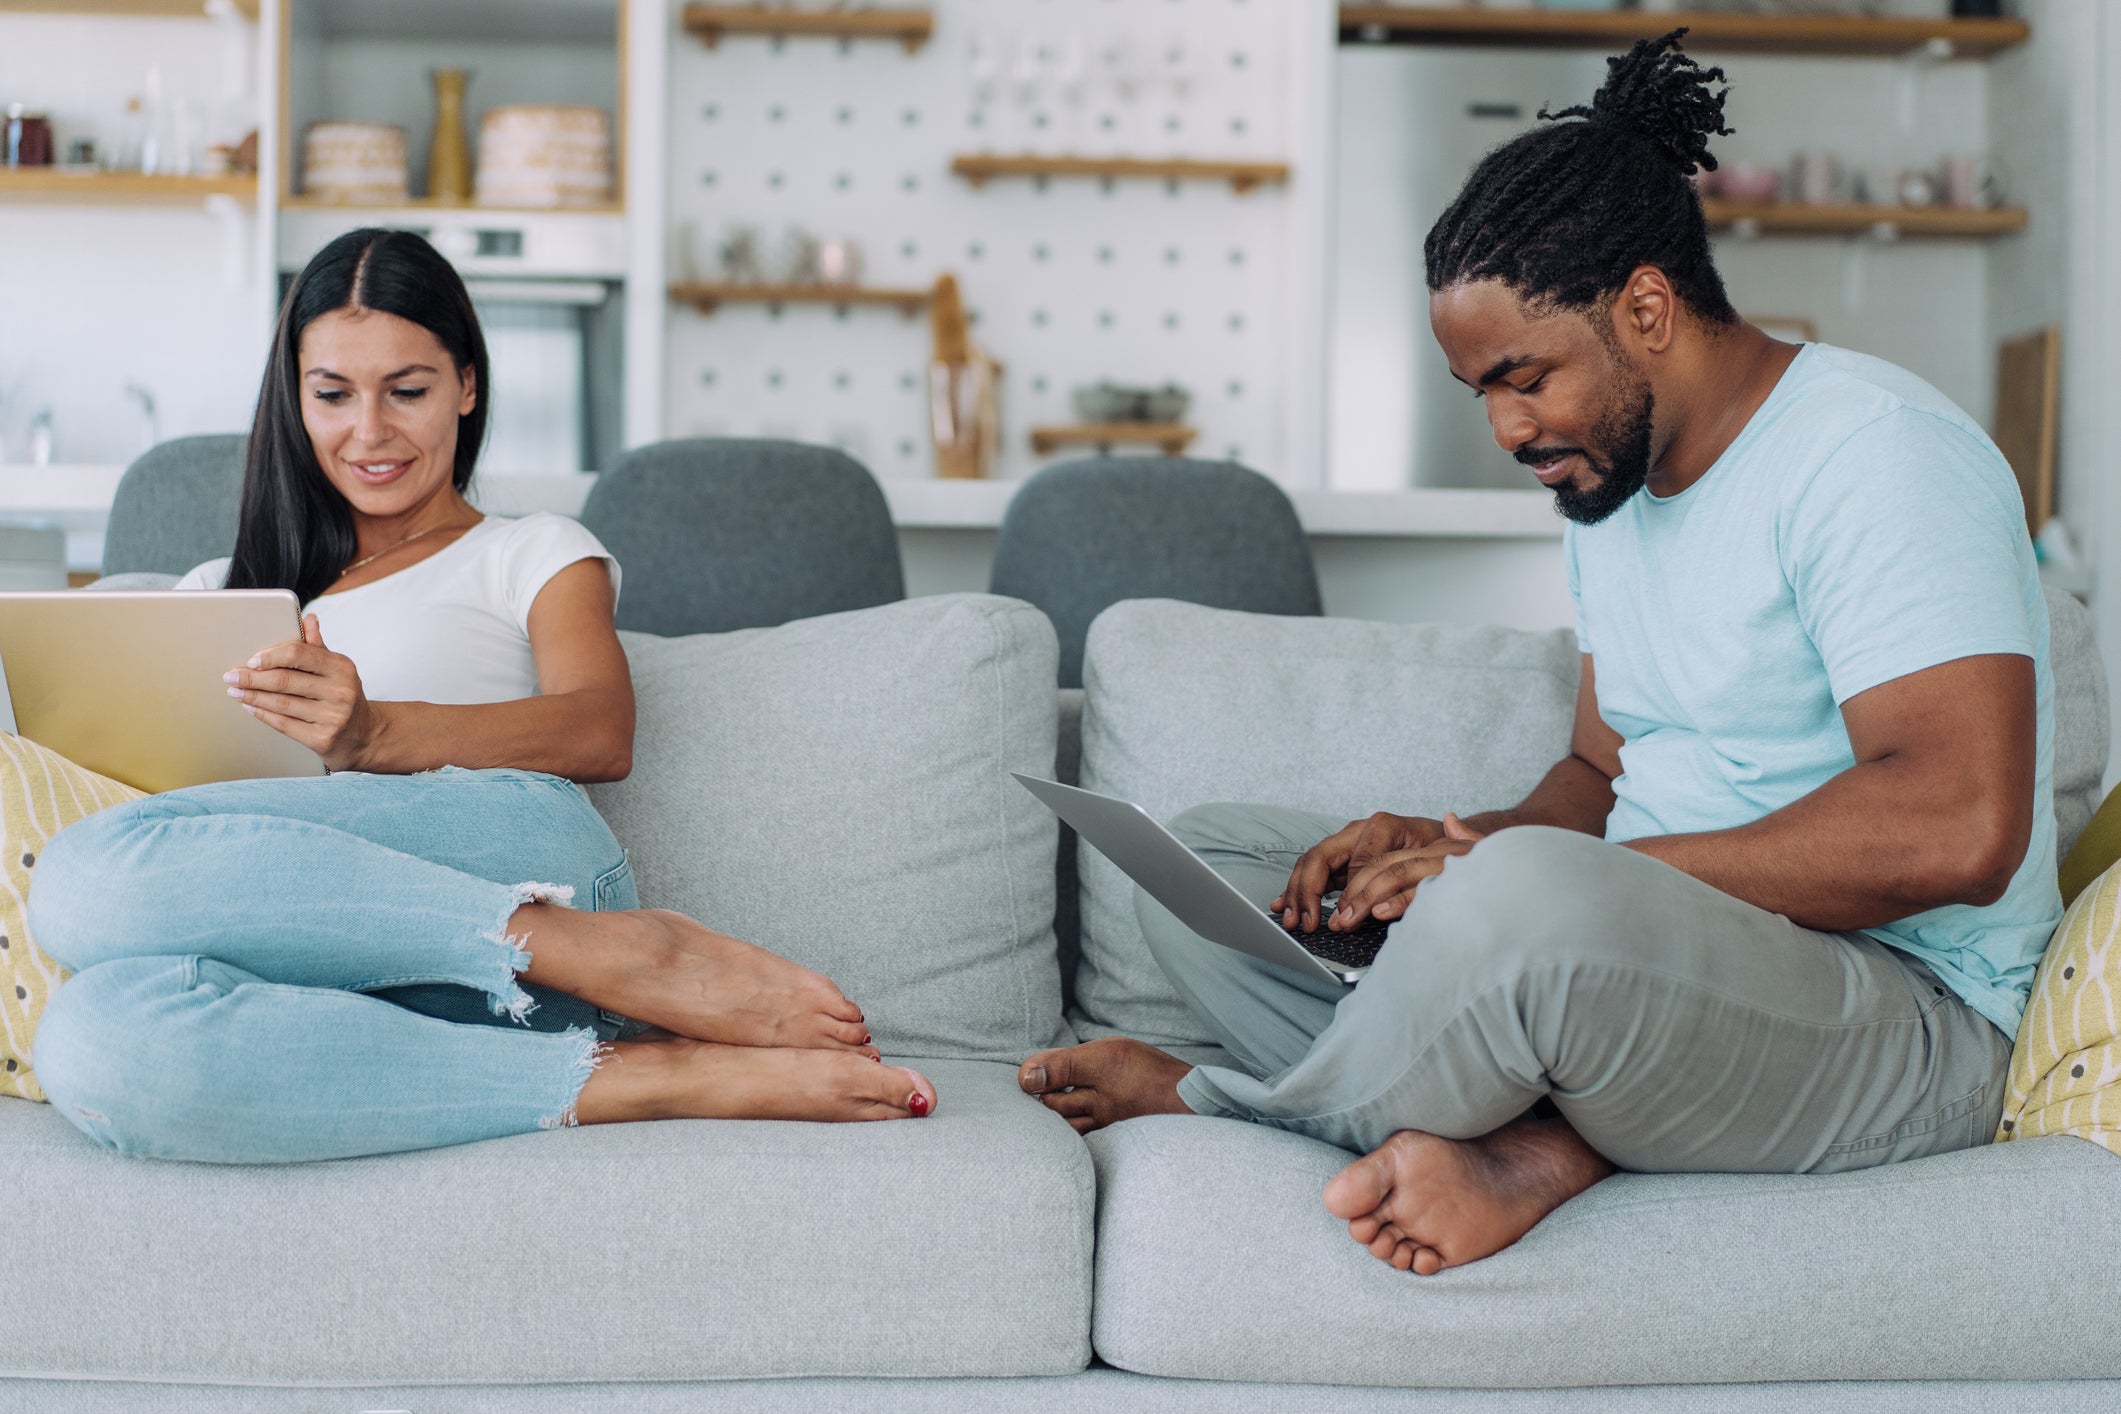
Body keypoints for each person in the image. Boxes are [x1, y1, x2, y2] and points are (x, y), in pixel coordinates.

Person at [1019, 32, 2056, 1276]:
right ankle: (1527, 1113)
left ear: (1647, 307)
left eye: (1525, 378)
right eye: (1481, 393)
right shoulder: (1611, 489)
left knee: (1533, 898)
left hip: (1904, 1013)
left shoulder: (1877, 456)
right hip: (1636, 964)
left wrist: (1554, 893)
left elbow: (1959, 826)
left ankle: (1255, 1103)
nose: (1510, 428)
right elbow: (1598, 771)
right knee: (1215, 856)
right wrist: (1461, 848)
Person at [29, 229, 936, 1164]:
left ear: (467, 385)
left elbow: (599, 729)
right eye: (332, 394)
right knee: (93, 1039)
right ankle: (643, 1073)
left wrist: (372, 733)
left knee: (79, 878)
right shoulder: (212, 591)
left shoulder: (531, 550)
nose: (369, 432)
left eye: (408, 391)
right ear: (293, 400)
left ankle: (619, 954)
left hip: (523, 862)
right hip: (312, 962)